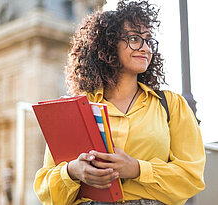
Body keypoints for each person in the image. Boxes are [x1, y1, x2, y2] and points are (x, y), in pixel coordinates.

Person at [34, 0, 205, 204]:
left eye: (148, 40)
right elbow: (45, 190)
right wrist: (72, 171)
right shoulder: (76, 109)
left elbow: (192, 178)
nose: (145, 48)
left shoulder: (171, 105)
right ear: (108, 44)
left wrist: (137, 169)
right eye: (134, 38)